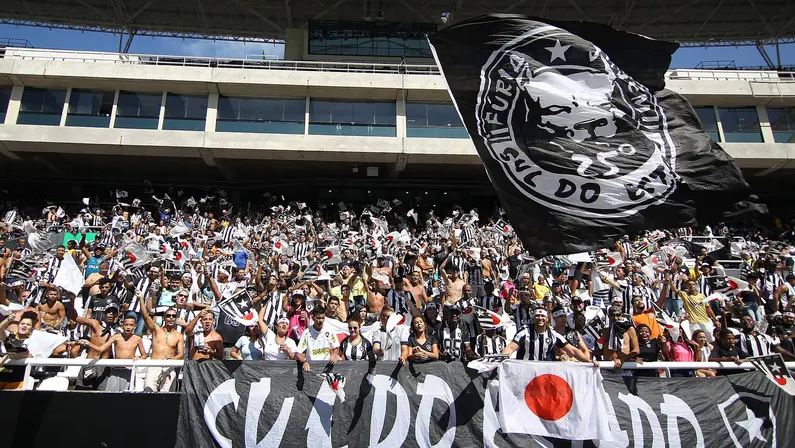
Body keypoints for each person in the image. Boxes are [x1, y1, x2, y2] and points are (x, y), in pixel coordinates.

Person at [78, 314, 146, 391]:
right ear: (122, 325)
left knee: (127, 395)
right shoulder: (116, 337)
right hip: (115, 370)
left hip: (128, 371)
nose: (128, 327)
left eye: (131, 325)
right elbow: (101, 348)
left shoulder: (137, 339)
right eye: (126, 324)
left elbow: (144, 355)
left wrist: (138, 358)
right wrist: (89, 344)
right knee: (111, 394)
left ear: (135, 326)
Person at [503, 309, 595, 363]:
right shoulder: (524, 332)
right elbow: (511, 347)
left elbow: (573, 351)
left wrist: (589, 361)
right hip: (526, 369)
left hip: (545, 372)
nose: (540, 318)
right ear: (533, 318)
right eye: (537, 316)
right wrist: (502, 359)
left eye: (542, 316)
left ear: (547, 319)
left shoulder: (553, 335)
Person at [138, 293, 183, 392]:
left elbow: (181, 354)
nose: (171, 318)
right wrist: (141, 298)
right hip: (154, 366)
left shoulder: (179, 335)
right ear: (164, 318)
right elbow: (145, 315)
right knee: (148, 392)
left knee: (166, 398)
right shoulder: (156, 330)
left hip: (169, 368)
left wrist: (173, 359)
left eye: (173, 316)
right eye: (168, 316)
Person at [294, 306, 340, 371]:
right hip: (312, 368)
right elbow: (297, 353)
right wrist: (304, 362)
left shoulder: (329, 331)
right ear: (313, 318)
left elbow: (336, 347)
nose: (320, 321)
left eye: (322, 318)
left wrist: (335, 354)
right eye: (318, 318)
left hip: (326, 368)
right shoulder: (307, 333)